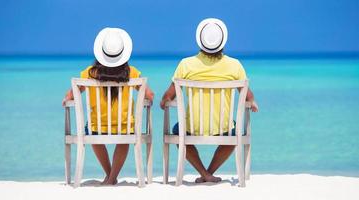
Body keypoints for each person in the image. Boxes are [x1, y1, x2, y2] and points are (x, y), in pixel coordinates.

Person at [160, 18, 258, 183]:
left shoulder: (186, 65)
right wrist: (253, 102)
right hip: (223, 128)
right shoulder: (234, 65)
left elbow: (169, 96)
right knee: (235, 134)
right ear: (222, 43)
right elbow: (248, 96)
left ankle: (204, 174)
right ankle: (208, 173)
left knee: (178, 130)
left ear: (200, 42)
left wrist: (164, 101)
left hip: (192, 127)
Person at [62, 28, 154, 185]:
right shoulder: (132, 72)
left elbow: (70, 95)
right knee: (124, 138)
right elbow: (150, 95)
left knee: (91, 134)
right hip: (124, 127)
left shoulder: (88, 74)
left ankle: (109, 176)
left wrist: (66, 99)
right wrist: (148, 101)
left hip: (96, 127)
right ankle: (112, 177)